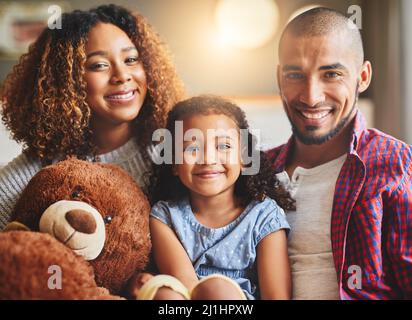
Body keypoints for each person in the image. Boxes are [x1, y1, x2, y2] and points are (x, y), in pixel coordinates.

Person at [266, 7, 412, 299]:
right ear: (280, 77)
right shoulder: (257, 171)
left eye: (331, 74)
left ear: (363, 76)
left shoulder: (396, 162)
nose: (311, 96)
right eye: (296, 74)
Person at [0, 4, 184, 230]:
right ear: (65, 80)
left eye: (131, 60)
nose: (122, 76)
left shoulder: (173, 150)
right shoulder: (37, 171)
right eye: (99, 65)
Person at [133, 95, 294, 300]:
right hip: (191, 297)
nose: (208, 158)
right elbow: (188, 286)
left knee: (217, 291)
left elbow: (277, 297)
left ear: (244, 158)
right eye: (193, 148)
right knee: (165, 295)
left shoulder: (264, 216)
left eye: (223, 146)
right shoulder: (164, 216)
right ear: (173, 162)